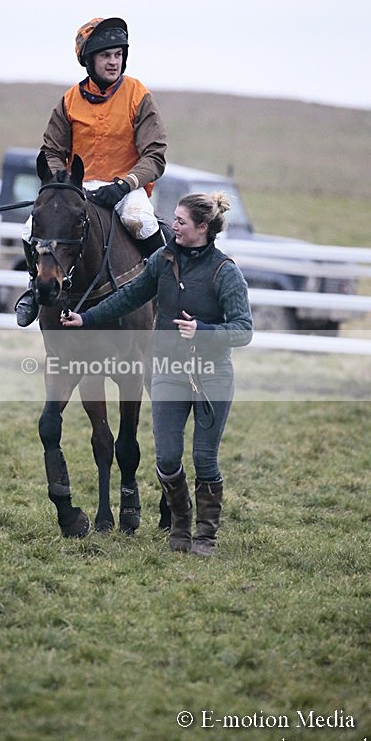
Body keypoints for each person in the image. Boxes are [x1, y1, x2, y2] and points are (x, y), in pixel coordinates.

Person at [61, 192, 253, 556]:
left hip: (212, 375)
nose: (173, 225)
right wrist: (85, 318)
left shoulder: (225, 271)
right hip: (167, 371)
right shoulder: (161, 260)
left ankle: (206, 536)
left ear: (203, 228)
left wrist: (205, 331)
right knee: (166, 459)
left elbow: (244, 329)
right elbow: (129, 296)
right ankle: (180, 527)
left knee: (204, 459)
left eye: (180, 221)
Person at [15, 16, 168, 327]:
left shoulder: (139, 96)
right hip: (78, 189)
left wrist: (125, 184)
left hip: (125, 188)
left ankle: (167, 295)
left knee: (143, 222)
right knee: (29, 228)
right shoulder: (69, 101)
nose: (113, 62)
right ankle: (35, 290)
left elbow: (155, 155)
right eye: (105, 56)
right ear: (88, 60)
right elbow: (52, 151)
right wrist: (63, 184)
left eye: (118, 55)